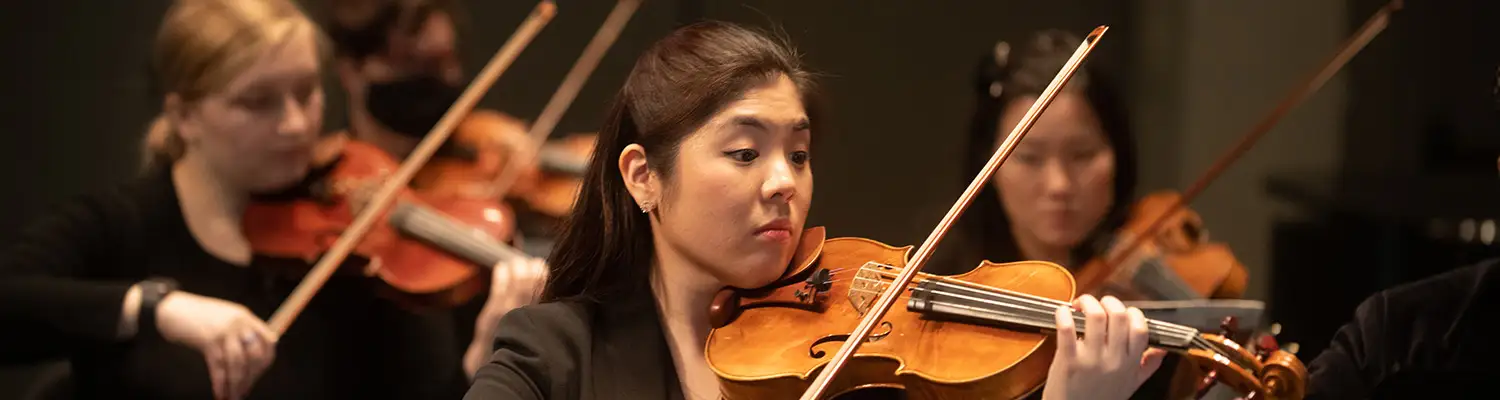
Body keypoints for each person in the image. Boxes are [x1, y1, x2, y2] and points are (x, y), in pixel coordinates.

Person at [464, 20, 1164, 400]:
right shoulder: (555, 354)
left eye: (797, 155)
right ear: (644, 177)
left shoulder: (860, 376)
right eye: (745, 153)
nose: (784, 182)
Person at [0, 0, 542, 398]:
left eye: (307, 92)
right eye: (258, 103)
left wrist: (482, 364)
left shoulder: (363, 253)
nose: (296, 124)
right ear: (184, 116)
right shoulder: (123, 226)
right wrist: (157, 307)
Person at [319, 0, 551, 376]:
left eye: (450, 61)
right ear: (351, 70)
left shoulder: (483, 165)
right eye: (420, 66)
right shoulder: (332, 205)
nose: (447, 79)